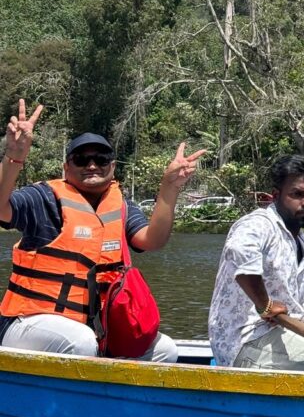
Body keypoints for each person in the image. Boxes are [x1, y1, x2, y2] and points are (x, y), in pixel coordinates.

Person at [0, 100, 204, 361]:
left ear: (113, 166)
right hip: (25, 322)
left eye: (101, 159)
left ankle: (120, 403)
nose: (92, 165)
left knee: (164, 351)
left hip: (91, 328)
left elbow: (152, 240)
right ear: (66, 168)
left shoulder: (120, 206)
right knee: (81, 342)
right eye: (81, 159)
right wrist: (14, 157)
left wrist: (169, 188)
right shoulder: (43, 198)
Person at [208, 154, 304, 371]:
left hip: (278, 336)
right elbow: (239, 249)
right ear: (276, 195)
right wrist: (264, 304)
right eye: (297, 194)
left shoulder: (301, 242)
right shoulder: (259, 224)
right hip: (246, 342)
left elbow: (289, 312)